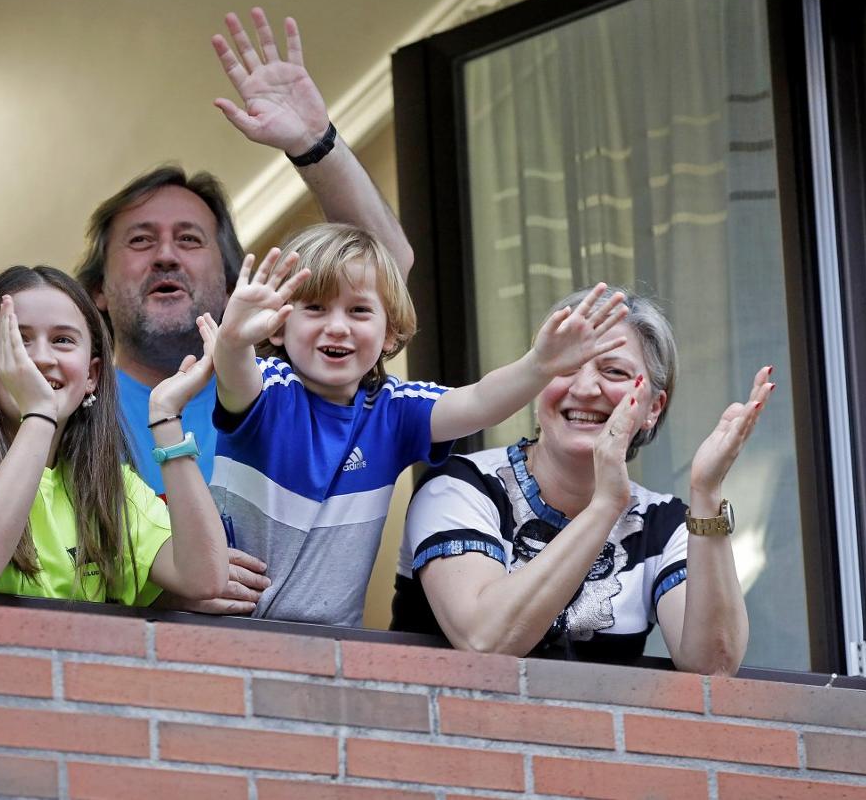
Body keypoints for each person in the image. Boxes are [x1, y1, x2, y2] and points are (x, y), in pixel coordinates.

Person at [74, 8, 410, 613]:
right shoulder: (70, 402)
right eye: (141, 240)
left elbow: (385, 272)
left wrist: (315, 144)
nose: (167, 255)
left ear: (234, 284)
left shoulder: (289, 389)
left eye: (191, 239)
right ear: (97, 289)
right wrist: (178, 574)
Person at [205, 224, 628, 627]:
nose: (337, 326)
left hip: (333, 645)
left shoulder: (393, 410)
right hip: (226, 630)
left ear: (390, 333)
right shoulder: (268, 388)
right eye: (315, 308)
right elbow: (236, 375)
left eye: (359, 310)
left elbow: (480, 400)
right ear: (279, 325)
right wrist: (234, 337)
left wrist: (540, 365)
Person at [391, 286, 773, 674]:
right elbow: (485, 641)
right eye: (567, 366)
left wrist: (707, 495)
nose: (585, 388)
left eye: (614, 372)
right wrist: (606, 506)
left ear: (652, 408)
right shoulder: (461, 485)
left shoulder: (665, 524)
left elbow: (714, 666)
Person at [0, 265, 228, 606]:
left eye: (62, 340)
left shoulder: (107, 483)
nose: (40, 358)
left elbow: (204, 577)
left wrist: (167, 419)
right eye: (18, 341)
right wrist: (39, 414)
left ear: (92, 376)